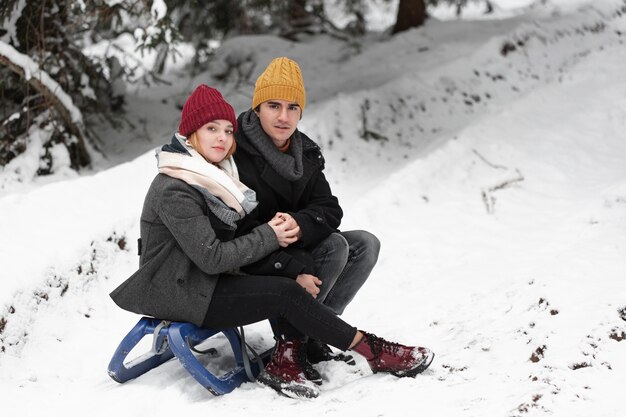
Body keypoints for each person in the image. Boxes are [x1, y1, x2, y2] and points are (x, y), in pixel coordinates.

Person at [110, 84, 434, 399]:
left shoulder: (214, 175)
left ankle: (313, 341)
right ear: (191, 134)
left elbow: (325, 208)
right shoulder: (175, 186)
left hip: (205, 279)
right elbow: (212, 257)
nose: (222, 137)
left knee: (308, 271)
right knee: (286, 292)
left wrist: (290, 233)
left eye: (226, 130)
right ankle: (372, 349)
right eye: (211, 129)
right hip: (178, 289)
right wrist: (272, 234)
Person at [233, 57, 381, 375]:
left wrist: (299, 224)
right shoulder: (234, 152)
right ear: (258, 108)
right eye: (274, 105)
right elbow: (236, 229)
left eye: (293, 108)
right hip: (254, 258)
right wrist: (283, 237)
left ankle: (314, 333)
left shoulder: (305, 152)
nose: (284, 117)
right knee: (334, 247)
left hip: (293, 247)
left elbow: (329, 208)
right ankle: (295, 340)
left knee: (365, 244)